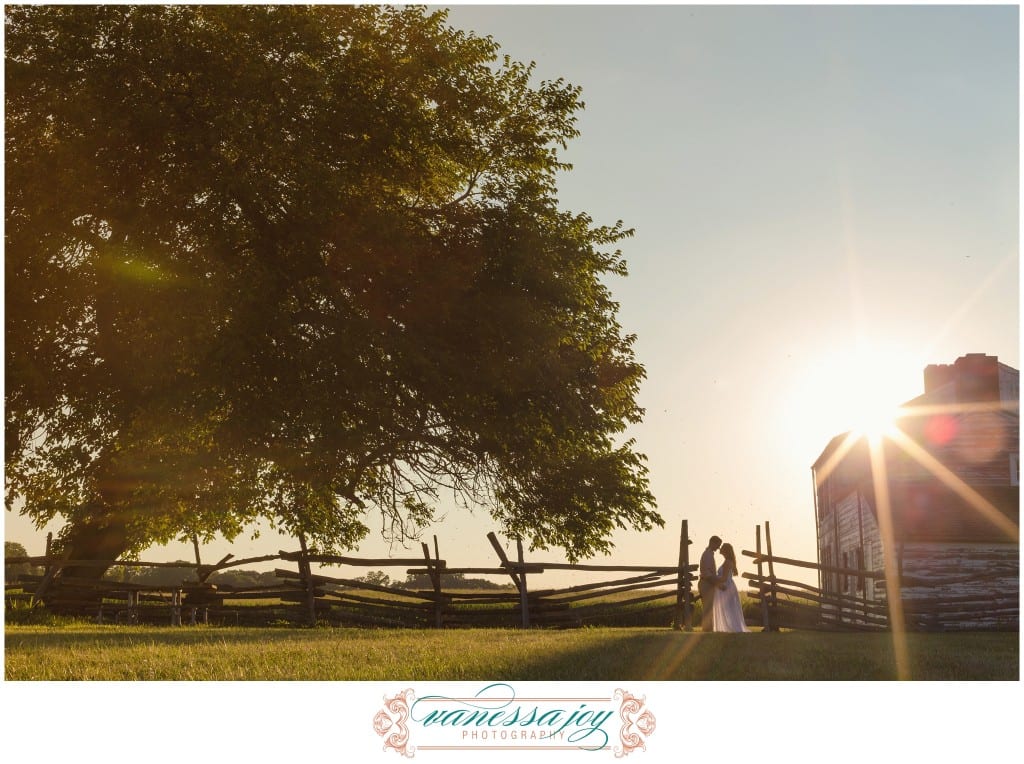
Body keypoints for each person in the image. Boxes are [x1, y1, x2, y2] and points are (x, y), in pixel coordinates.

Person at [711, 543, 749, 633]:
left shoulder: (727, 562)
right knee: (729, 607)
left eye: (722, 548)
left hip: (725, 586)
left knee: (728, 607)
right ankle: (728, 626)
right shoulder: (728, 561)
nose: (720, 549)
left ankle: (732, 627)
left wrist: (713, 578)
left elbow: (724, 578)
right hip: (727, 585)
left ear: (725, 551)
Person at [697, 535, 722, 632]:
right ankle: (707, 629)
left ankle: (708, 628)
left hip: (708, 583)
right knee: (708, 607)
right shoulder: (707, 555)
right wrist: (717, 583)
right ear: (712, 542)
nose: (718, 548)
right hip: (706, 583)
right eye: (717, 545)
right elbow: (707, 574)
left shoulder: (709, 554)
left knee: (709, 607)